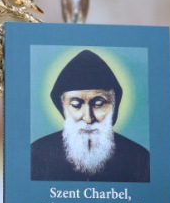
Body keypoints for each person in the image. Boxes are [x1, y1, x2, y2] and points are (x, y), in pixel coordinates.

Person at [31, 50, 150, 182]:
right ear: (62, 106)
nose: (88, 118)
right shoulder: (37, 153)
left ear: (114, 105)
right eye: (76, 105)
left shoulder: (139, 157)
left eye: (99, 104)